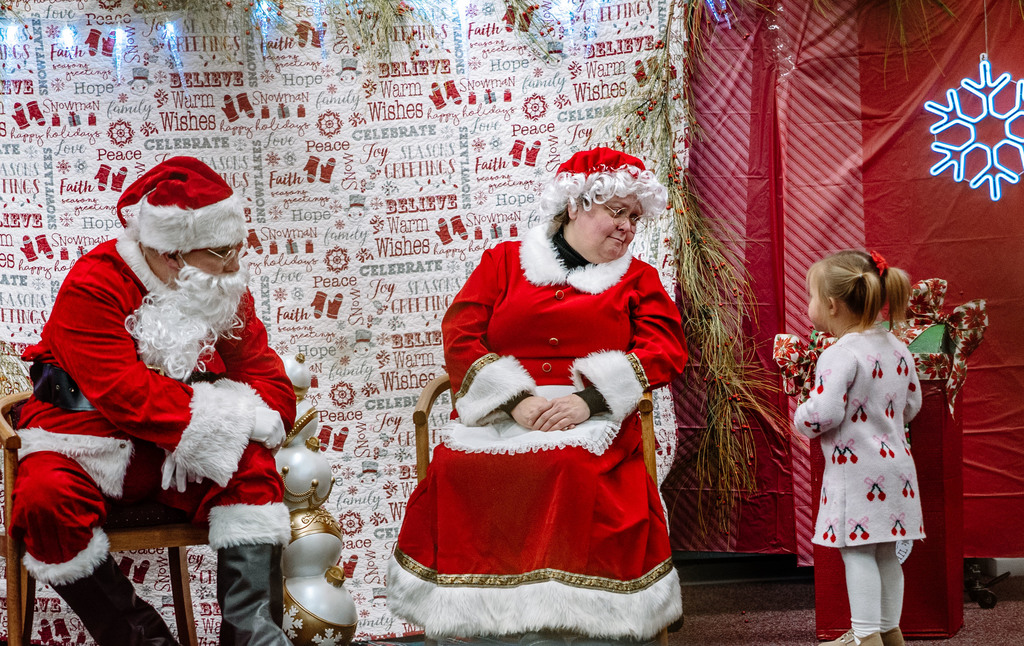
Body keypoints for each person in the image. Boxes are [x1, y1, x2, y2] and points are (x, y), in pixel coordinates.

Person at [387, 147, 688, 641]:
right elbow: (461, 333)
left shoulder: (639, 279)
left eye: (635, 217)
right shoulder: (504, 262)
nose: (627, 227)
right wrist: (514, 400)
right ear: (575, 206)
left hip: (593, 418)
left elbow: (664, 349)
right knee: (458, 465)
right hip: (504, 412)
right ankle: (482, 626)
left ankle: (565, 623)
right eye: (617, 211)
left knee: (568, 466)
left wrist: (589, 401)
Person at [9, 156, 296, 646]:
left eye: (238, 248)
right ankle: (143, 640)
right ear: (171, 255)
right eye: (221, 252)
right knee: (44, 500)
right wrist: (236, 417)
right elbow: (124, 393)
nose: (235, 265)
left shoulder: (220, 287)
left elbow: (264, 374)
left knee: (253, 469)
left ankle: (254, 637)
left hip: (170, 452)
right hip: (84, 440)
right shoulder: (94, 283)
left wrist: (260, 414)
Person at [795, 250, 923, 646]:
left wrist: (801, 416)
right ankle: (890, 632)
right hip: (898, 471)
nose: (809, 304)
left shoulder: (839, 354)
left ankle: (865, 638)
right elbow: (912, 405)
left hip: (857, 475)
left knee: (857, 554)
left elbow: (824, 413)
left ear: (832, 305)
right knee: (886, 553)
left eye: (811, 296)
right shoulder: (897, 347)